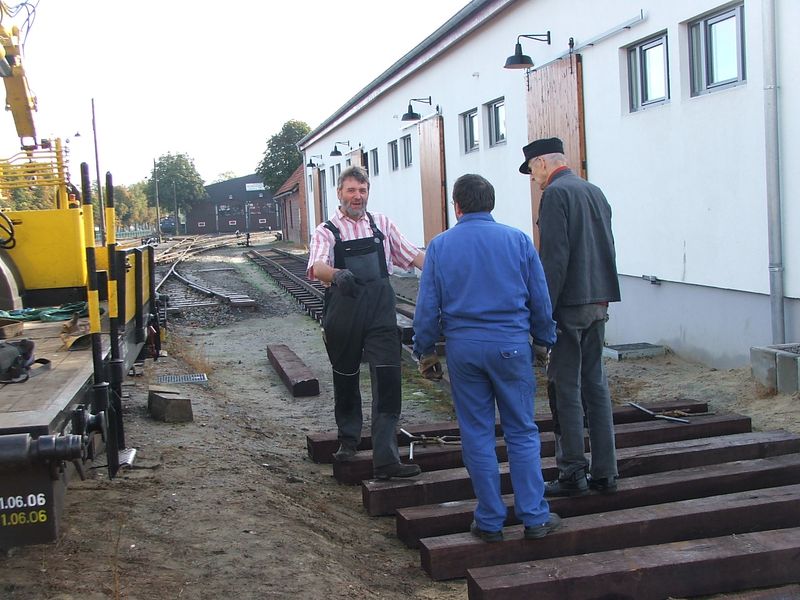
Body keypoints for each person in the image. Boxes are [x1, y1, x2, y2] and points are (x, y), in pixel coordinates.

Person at [413, 173, 561, 542]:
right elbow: (539, 297)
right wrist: (543, 340)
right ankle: (535, 517)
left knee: (477, 434)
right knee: (522, 432)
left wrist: (426, 350)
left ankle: (491, 521)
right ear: (490, 203)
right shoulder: (517, 240)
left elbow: (427, 306)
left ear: (456, 206)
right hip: (511, 347)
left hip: (464, 351)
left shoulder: (440, 247)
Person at [307, 165, 425, 480]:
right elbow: (317, 266)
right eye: (351, 191)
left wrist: (449, 266)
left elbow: (413, 256)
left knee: (388, 380)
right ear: (339, 193)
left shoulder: (381, 225)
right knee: (346, 378)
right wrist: (336, 275)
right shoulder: (326, 230)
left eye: (362, 191)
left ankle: (386, 460)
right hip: (344, 312)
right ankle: (348, 441)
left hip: (380, 312)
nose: (357, 197)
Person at [519, 137, 621, 496]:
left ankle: (571, 473)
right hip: (598, 302)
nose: (534, 178)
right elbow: (606, 245)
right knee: (596, 385)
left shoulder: (556, 196)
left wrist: (542, 315)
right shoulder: (594, 191)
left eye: (532, 170)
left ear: (544, 163)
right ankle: (606, 471)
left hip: (569, 307)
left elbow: (554, 261)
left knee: (565, 387)